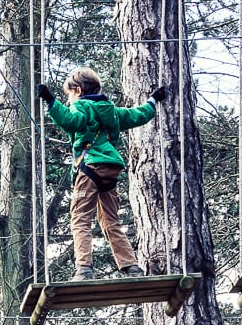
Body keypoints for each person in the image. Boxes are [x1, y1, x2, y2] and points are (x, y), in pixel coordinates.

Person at [38, 68, 165, 280]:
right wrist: (153, 100)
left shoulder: (81, 106)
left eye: (69, 95)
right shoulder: (111, 111)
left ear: (77, 90)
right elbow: (138, 115)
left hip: (89, 167)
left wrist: (51, 101)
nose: (68, 100)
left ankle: (84, 268)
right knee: (110, 220)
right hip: (110, 169)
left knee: (80, 218)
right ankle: (131, 267)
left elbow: (72, 120)